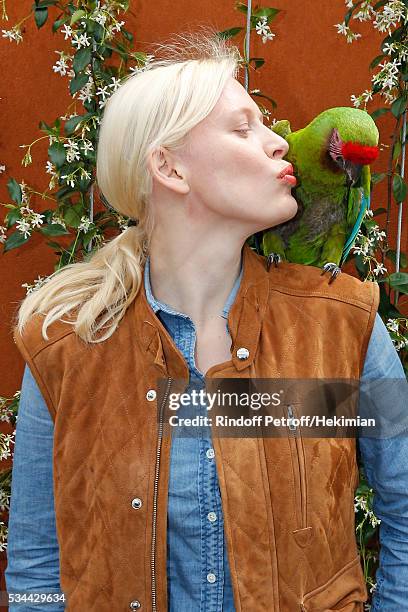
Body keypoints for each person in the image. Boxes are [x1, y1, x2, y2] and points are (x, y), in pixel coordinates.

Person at [5, 28, 408, 612]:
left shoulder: (344, 328)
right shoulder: (69, 342)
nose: (280, 145)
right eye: (244, 128)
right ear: (169, 167)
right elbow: (37, 567)